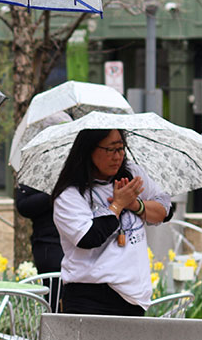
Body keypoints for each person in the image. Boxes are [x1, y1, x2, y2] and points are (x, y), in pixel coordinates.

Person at [51, 128, 171, 315]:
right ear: (89, 150)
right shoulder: (70, 194)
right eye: (111, 150)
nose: (118, 156)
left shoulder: (132, 175)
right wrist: (117, 205)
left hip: (133, 296)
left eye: (121, 149)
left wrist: (135, 205)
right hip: (89, 296)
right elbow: (88, 238)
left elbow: (164, 211)